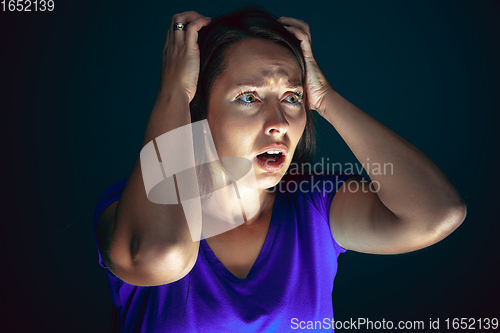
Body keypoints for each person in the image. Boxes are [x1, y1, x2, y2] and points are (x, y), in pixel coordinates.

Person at [94, 7, 467, 332]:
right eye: (248, 97)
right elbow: (159, 254)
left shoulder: (315, 208)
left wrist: (325, 98)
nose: (279, 122)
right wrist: (173, 93)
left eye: (292, 98)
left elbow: (438, 212)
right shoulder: (136, 205)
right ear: (199, 110)